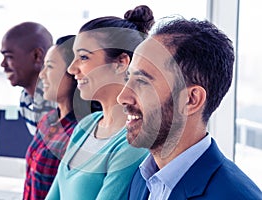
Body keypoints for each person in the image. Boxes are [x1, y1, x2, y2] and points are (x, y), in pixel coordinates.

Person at [117, 16, 262, 199]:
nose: (122, 97)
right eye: (128, 78)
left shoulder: (234, 195)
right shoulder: (143, 177)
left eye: (142, 82)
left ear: (191, 100)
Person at [45, 5, 154, 200]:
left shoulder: (134, 142)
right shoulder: (87, 125)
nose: (71, 69)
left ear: (121, 63)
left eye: (84, 57)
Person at [23, 35, 79, 199]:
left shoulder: (81, 131)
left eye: (50, 67)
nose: (42, 75)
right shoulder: (48, 120)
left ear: (74, 72)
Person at [0, 22, 56, 135]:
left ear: (37, 56)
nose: (3, 64)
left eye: (9, 57)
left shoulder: (63, 101)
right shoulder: (25, 98)